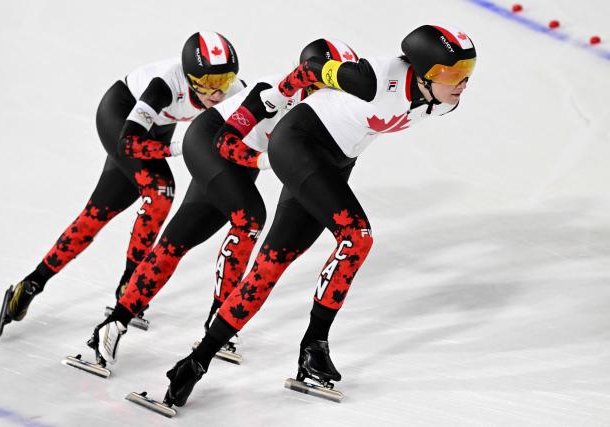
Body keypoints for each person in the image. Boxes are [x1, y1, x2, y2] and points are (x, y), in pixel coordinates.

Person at [162, 23, 477, 407]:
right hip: (297, 144)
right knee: (357, 236)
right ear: (424, 72)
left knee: (272, 264)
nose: (462, 83)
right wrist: (273, 99)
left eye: (467, 72)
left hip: (335, 161)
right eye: (452, 73)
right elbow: (311, 69)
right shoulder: (372, 78)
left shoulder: (445, 99)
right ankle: (315, 344)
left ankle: (196, 361)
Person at [87, 39, 359, 371]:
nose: (336, 95)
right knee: (249, 219)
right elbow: (225, 141)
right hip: (214, 144)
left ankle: (124, 319)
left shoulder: (338, 114)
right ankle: (178, 318)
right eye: (326, 85)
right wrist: (261, 161)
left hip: (241, 161)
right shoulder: (274, 94)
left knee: (180, 238)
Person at [0, 31, 244, 340]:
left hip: (159, 126)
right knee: (160, 190)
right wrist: (176, 147)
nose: (218, 93)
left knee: (97, 213)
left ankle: (31, 283)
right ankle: (130, 283)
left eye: (225, 80)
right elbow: (127, 144)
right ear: (190, 78)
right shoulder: (165, 85)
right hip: (121, 117)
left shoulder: (234, 91)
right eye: (208, 83)